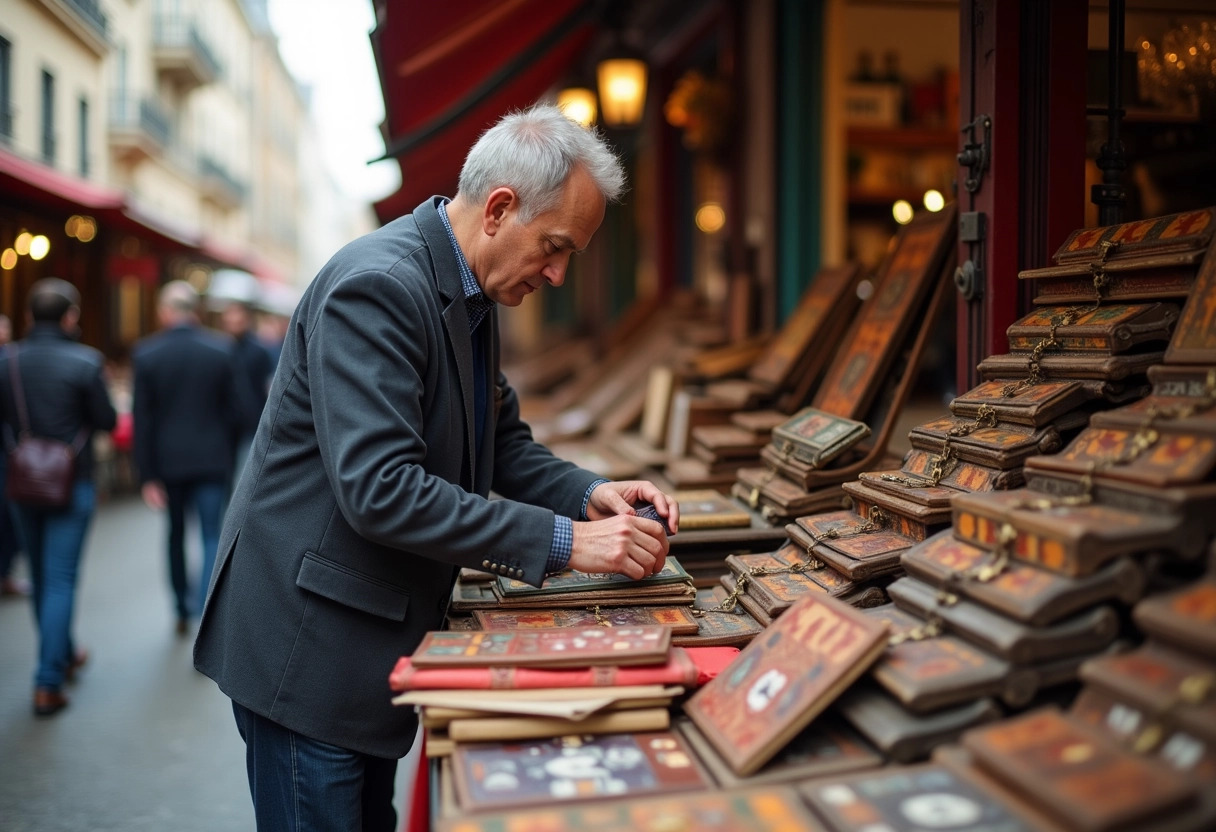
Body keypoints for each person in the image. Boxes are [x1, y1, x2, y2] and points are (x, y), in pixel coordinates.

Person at [194, 104, 680, 831]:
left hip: (357, 639)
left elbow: (504, 444)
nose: (555, 272)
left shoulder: (461, 288)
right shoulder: (381, 287)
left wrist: (591, 494)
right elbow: (381, 491)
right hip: (309, 652)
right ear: (500, 209)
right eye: (553, 246)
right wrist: (570, 544)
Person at [0, 279, 117, 716]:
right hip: (73, 482)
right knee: (61, 577)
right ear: (70, 317)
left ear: (29, 317)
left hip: (21, 481)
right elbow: (105, 420)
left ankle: (62, 653)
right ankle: (48, 681)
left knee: (43, 575)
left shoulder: (7, 360)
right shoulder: (86, 362)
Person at [133, 281, 243, 636]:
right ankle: (204, 606)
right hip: (212, 460)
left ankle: (181, 606)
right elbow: (237, 411)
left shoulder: (146, 354)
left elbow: (142, 421)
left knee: (175, 534)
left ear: (165, 312)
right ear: (194, 312)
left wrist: (146, 475)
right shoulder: (221, 350)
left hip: (168, 463)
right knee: (212, 533)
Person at [217, 299, 274, 482]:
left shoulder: (259, 351)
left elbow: (267, 386)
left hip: (252, 424)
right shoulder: (219, 348)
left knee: (245, 476)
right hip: (224, 425)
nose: (233, 321)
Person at [0, 312, 32, 598]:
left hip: (9, 453)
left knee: (8, 516)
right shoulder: (12, 362)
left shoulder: (12, 361)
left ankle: (5, 572)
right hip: (10, 452)